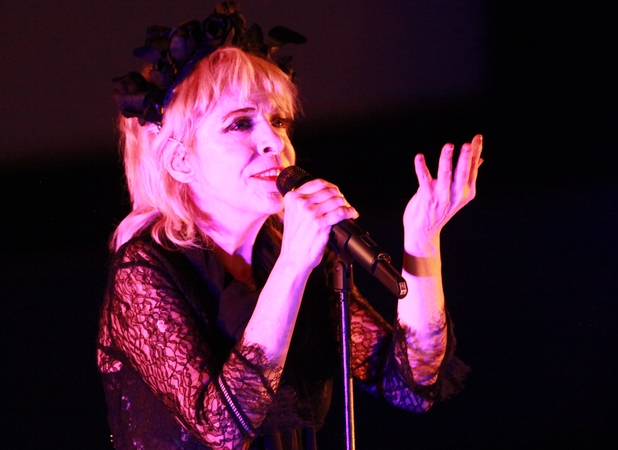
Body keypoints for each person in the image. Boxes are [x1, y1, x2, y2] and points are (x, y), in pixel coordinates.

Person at [97, 3, 482, 449]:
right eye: (240, 124)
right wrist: (293, 265)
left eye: (278, 121)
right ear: (181, 160)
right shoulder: (144, 271)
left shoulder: (289, 253)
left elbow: (411, 383)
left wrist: (422, 240)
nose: (273, 140)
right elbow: (222, 427)